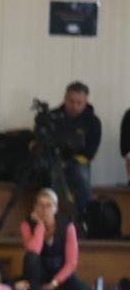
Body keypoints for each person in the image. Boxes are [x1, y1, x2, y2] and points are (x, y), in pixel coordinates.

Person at [20, 187, 91, 290]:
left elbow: (71, 262)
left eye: (48, 205)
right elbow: (33, 250)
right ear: (35, 207)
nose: (44, 209)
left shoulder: (67, 226)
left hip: (61, 274)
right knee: (30, 257)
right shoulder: (27, 224)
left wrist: (55, 282)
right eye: (40, 205)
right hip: (38, 274)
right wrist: (40, 226)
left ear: (55, 208)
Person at [50, 81, 100, 213]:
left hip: (78, 161)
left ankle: (85, 215)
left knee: (81, 174)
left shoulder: (93, 122)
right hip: (54, 160)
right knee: (51, 173)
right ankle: (52, 216)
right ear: (65, 99)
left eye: (79, 103)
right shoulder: (52, 117)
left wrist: (70, 158)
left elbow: (90, 152)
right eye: (71, 101)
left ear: (86, 102)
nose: (74, 106)